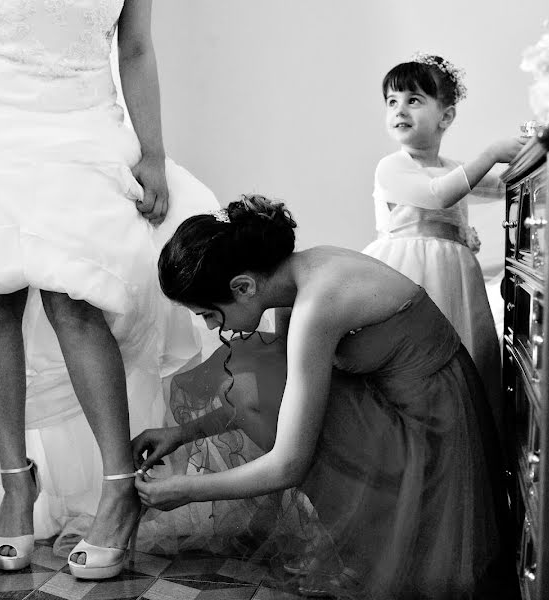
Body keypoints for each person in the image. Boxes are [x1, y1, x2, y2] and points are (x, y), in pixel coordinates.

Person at [0, 0, 217, 579]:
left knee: (77, 299)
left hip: (85, 124)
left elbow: (134, 47)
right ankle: (15, 482)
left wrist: (152, 150)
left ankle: (118, 488)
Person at [132, 195, 519, 599]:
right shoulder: (297, 278)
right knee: (259, 373)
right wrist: (183, 433)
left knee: (260, 385)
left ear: (243, 287)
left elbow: (287, 466)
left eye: (208, 314)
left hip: (433, 429)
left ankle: (384, 536)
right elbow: (272, 397)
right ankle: (367, 536)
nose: (213, 326)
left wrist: (188, 488)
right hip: (397, 401)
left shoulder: (316, 307)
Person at [362, 54, 526, 451]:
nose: (399, 110)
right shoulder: (391, 167)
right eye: (391, 101)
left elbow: (504, 186)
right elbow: (437, 195)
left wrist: (531, 152)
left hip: (454, 278)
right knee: (417, 365)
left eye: (414, 100)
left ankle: (464, 448)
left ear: (446, 117)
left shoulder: (454, 168)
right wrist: (491, 152)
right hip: (409, 276)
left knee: (464, 359)